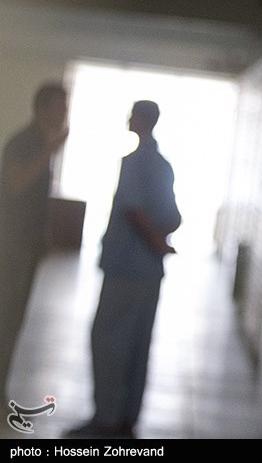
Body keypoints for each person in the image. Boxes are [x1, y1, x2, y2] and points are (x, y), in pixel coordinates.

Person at [66, 100, 181, 439]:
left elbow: (133, 209)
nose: (129, 119)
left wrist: (153, 239)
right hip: (149, 270)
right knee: (137, 343)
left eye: (133, 114)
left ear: (143, 119)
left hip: (127, 266)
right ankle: (126, 419)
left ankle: (106, 420)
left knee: (109, 340)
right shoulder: (162, 164)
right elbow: (174, 216)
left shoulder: (135, 162)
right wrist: (159, 240)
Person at [0, 83, 69, 398]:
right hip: (10, 248)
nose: (64, 115)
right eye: (60, 108)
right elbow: (16, 183)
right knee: (5, 318)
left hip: (25, 247)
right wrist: (48, 152)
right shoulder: (24, 142)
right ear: (42, 108)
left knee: (13, 321)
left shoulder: (41, 143)